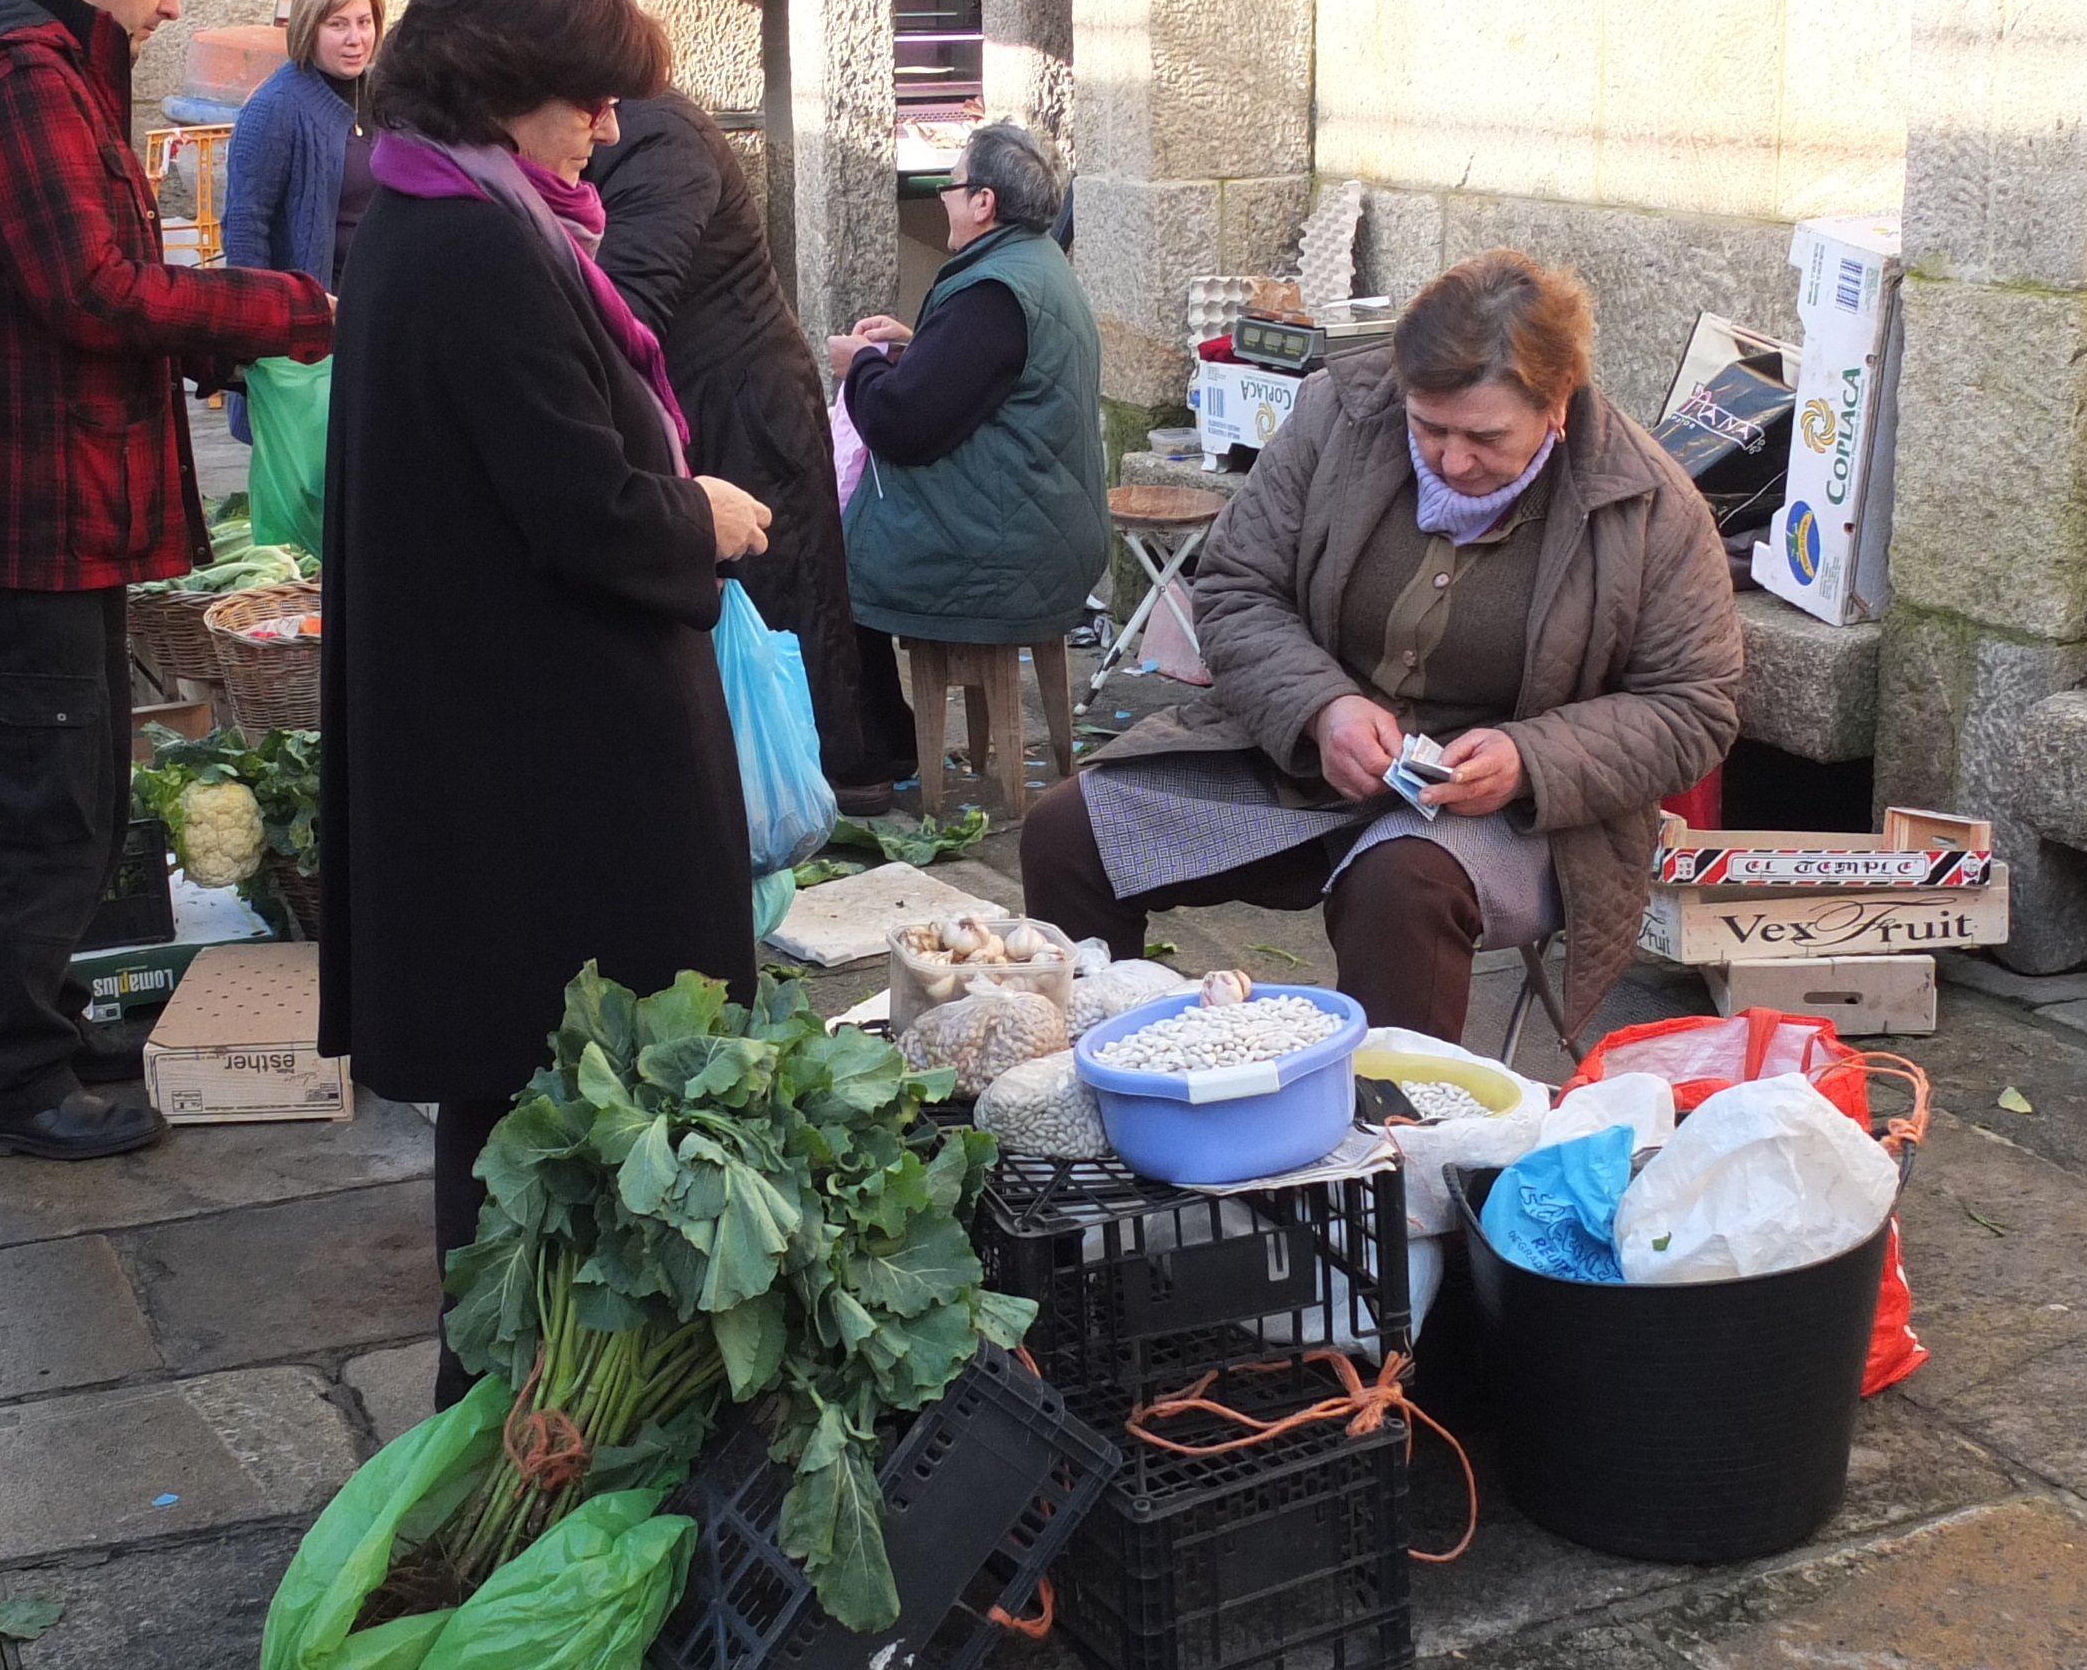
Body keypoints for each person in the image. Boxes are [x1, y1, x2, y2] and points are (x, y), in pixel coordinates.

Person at [317, 0, 771, 1401]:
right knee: (552, 1115)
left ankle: (525, 1420)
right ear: (512, 81)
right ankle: (536, 1430)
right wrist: (697, 514)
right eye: (588, 93)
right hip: (544, 781)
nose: (609, 123)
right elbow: (577, 510)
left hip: (503, 753)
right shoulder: (472, 245)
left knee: (521, 1116)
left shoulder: (433, 213)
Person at [0, 0, 334, 1161]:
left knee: (73, 784)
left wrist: (208, 341)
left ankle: (46, 1036)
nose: (170, 6)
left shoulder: (43, 69)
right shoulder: (26, 80)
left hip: (45, 503)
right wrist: (294, 312)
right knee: (48, 802)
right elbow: (91, 290)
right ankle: (12, 1084)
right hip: (23, 510)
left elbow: (96, 294)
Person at [1017, 248, 1742, 1048]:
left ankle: (1386, 1142)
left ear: (1559, 402)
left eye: (1485, 437)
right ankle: (1099, 1076)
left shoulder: (1648, 507)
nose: (1453, 459)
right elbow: (1235, 587)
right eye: (1428, 426)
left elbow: (1693, 707)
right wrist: (1322, 708)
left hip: (1515, 818)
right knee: (1069, 832)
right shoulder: (1340, 413)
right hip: (1299, 763)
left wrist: (1528, 758)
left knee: (1401, 887)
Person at [591, 81, 882, 795]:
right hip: (710, 394)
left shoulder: (661, 138)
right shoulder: (635, 132)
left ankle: (817, 785)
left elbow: (626, 307)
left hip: (748, 403)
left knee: (783, 597)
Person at [827, 119, 1108, 789]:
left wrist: (859, 366)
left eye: (950, 187)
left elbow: (902, 425)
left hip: (1010, 547)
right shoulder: (1034, 266)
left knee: (836, 552)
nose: (943, 200)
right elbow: (982, 374)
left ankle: (877, 753)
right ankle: (888, 741)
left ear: (984, 202)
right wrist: (915, 343)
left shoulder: (991, 292)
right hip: (1050, 529)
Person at [215, 0, 382, 552]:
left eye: (364, 22)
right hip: (308, 328)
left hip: (374, 318)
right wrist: (262, 327)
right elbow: (247, 222)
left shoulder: (381, 98)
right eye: (339, 24)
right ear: (309, 29)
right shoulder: (277, 106)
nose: (355, 38)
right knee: (311, 484)